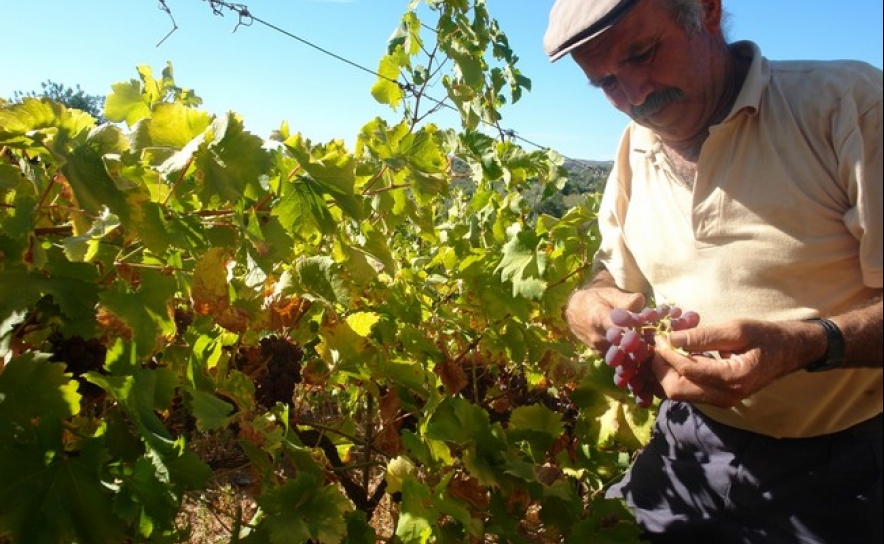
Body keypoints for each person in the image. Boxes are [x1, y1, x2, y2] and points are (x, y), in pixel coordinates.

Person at [543, 0, 883, 542]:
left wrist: (809, 344)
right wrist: (587, 305)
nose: (633, 94)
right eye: (604, 82)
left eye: (642, 53)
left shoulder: (849, 106)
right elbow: (609, 277)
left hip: (849, 464)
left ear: (706, 11)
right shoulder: (635, 148)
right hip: (692, 443)